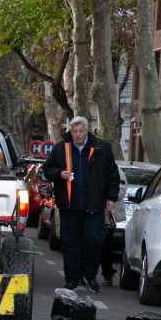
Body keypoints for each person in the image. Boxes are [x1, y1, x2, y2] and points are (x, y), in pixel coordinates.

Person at [42, 117, 120, 293]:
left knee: (94, 241)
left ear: (87, 131)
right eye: (74, 131)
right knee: (70, 244)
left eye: (81, 131)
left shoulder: (101, 148)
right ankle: (72, 279)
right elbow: (47, 170)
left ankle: (90, 275)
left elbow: (112, 176)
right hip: (70, 206)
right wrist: (59, 173)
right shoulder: (61, 148)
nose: (77, 135)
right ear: (71, 131)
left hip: (94, 205)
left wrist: (111, 198)